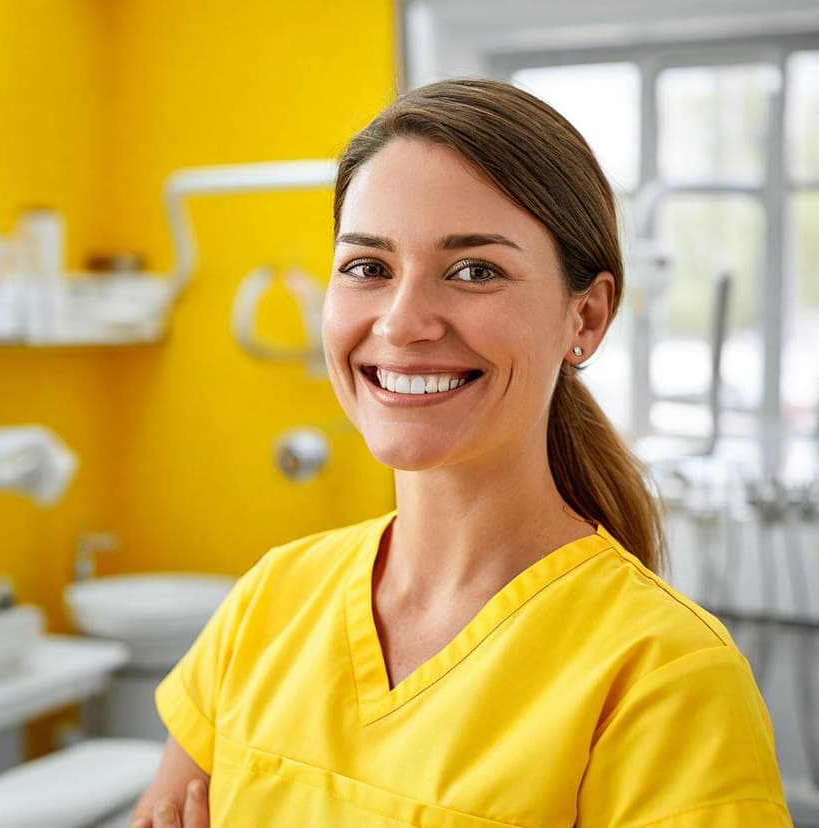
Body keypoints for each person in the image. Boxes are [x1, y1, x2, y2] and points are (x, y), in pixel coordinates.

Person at [132, 79, 793, 827]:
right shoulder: (269, 602)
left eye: (474, 270)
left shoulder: (664, 676)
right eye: (368, 267)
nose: (404, 321)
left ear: (588, 315)